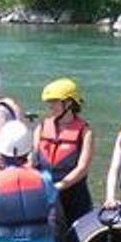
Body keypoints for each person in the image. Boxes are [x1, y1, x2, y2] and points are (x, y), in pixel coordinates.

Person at [36, 78, 96, 225]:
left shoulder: (85, 131)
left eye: (54, 101)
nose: (50, 106)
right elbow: (33, 160)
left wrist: (59, 186)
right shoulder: (41, 127)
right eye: (49, 102)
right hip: (46, 194)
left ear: (68, 103)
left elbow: (82, 168)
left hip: (74, 196)